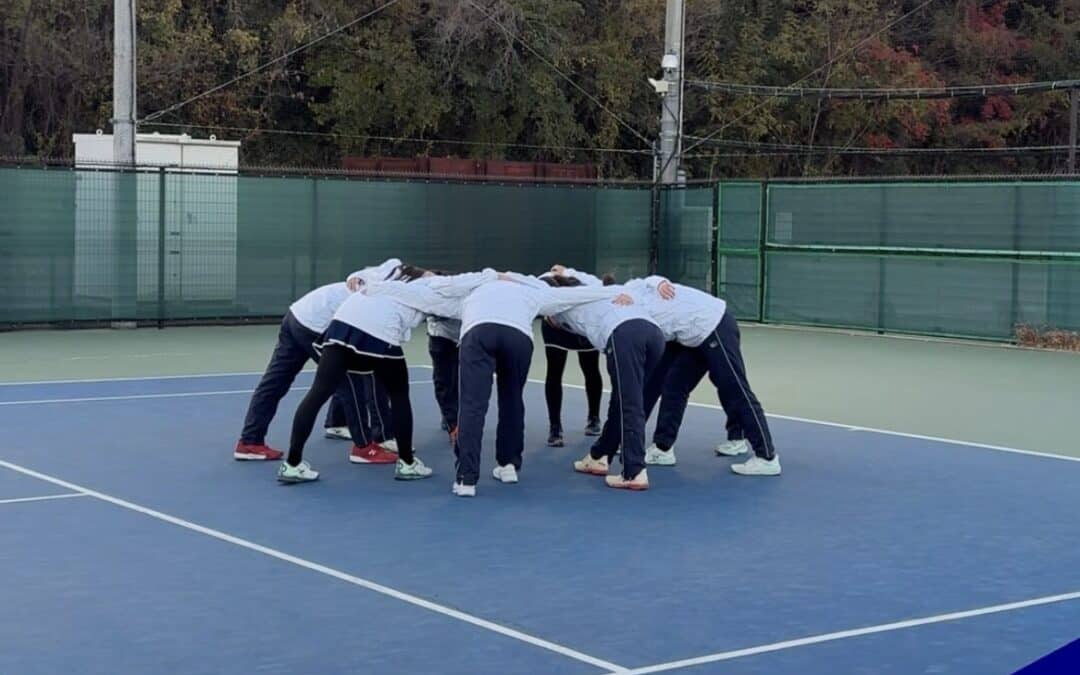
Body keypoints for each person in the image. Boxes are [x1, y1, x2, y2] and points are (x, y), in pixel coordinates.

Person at [278, 267, 498, 483]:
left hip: (340, 327)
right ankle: (407, 463)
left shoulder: (391, 279)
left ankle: (292, 464)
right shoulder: (432, 286)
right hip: (378, 331)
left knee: (318, 392)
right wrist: (495, 276)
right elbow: (463, 282)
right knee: (399, 394)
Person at [452, 273, 631, 497]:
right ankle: (508, 467)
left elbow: (431, 291)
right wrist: (616, 292)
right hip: (517, 338)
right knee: (512, 400)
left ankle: (466, 480)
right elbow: (577, 294)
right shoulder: (532, 289)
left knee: (472, 405)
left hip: (478, 333)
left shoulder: (474, 287)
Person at [234, 259, 401, 462]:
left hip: (297, 314)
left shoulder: (382, 282)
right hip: (314, 326)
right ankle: (364, 448)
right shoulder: (384, 294)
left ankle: (249, 442)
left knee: (275, 382)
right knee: (350, 382)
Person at [624, 276, 781, 476]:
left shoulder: (635, 304)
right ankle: (662, 449)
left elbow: (651, 279)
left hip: (714, 325)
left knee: (735, 388)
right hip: (691, 337)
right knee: (673, 385)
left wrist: (659, 283)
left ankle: (767, 457)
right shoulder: (631, 298)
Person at [543, 275, 665, 491]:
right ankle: (599, 455)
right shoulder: (598, 289)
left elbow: (537, 291)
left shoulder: (561, 300)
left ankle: (634, 471)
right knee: (621, 400)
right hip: (654, 334)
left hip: (624, 335)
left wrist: (501, 278)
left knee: (629, 403)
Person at [640, 344, 748, 466]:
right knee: (667, 381)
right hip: (685, 337)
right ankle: (638, 438)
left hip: (708, 335)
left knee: (729, 385)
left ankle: (741, 438)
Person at [538, 265, 605, 446]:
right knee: (554, 372)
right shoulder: (545, 283)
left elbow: (603, 286)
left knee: (590, 368)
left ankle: (594, 418)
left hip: (582, 329)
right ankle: (555, 428)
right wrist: (549, 315)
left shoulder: (587, 288)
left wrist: (570, 271)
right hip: (555, 330)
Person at [427, 314, 461, 439]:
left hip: (464, 335)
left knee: (461, 380)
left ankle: (456, 419)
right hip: (439, 335)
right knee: (443, 381)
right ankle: (452, 423)